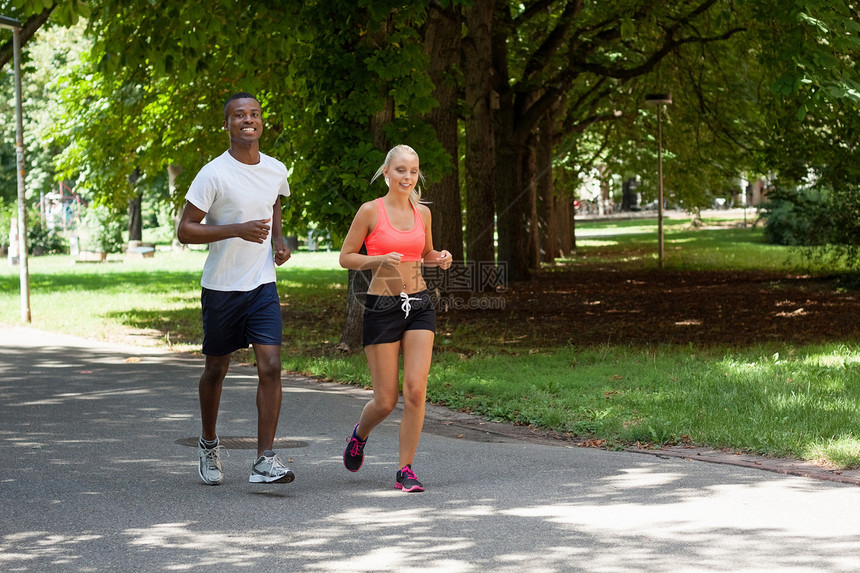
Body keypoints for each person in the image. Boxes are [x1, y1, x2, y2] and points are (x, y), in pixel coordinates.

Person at [177, 92, 295, 486]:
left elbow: (275, 203)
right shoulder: (213, 173)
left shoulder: (276, 169)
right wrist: (236, 230)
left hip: (261, 284)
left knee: (272, 367)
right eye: (239, 115)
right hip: (222, 287)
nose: (249, 119)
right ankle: (209, 442)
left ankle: (264, 459)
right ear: (226, 125)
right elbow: (185, 230)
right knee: (217, 369)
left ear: (262, 122)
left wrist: (278, 239)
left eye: (255, 113)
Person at [338, 144, 452, 492]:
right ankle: (360, 434)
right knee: (386, 400)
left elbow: (426, 252)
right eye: (401, 170)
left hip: (419, 305)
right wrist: (377, 260)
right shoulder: (370, 211)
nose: (407, 177)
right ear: (386, 172)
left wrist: (439, 257)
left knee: (416, 391)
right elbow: (346, 257)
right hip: (382, 306)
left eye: (413, 171)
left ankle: (406, 469)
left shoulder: (423, 213)